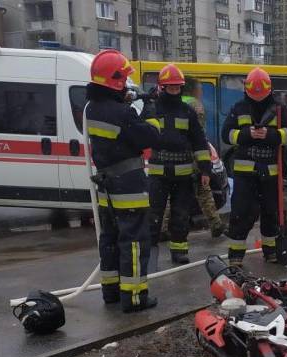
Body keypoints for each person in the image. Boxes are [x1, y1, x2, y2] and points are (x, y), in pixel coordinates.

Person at [85, 49, 161, 312]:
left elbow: (115, 132)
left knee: (110, 239)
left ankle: (112, 292)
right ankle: (135, 296)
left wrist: (127, 101)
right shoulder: (122, 114)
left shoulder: (93, 108)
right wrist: (149, 108)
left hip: (106, 187)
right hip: (128, 185)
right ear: (115, 81)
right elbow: (150, 136)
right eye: (124, 80)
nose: (127, 84)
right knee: (135, 241)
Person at [221, 67, 287, 266]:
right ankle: (236, 256)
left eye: (260, 95)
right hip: (244, 175)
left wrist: (271, 135)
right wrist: (246, 135)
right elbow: (226, 134)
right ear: (246, 90)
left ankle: (271, 251)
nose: (257, 98)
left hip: (270, 173)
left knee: (270, 212)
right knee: (240, 213)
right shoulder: (238, 108)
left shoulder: (279, 109)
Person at [142, 64, 212, 265]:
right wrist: (146, 107)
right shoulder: (153, 108)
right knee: (154, 214)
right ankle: (149, 251)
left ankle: (179, 251)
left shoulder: (187, 111)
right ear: (162, 87)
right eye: (170, 87)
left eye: (177, 87)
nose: (174, 91)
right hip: (158, 173)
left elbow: (199, 141)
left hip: (183, 174)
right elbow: (138, 133)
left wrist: (205, 168)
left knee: (181, 215)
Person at [160, 79, 225, 238]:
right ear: (193, 90)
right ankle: (215, 223)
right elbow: (198, 134)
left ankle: (161, 227)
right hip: (191, 155)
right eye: (200, 89)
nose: (201, 92)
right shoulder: (195, 105)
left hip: (171, 155)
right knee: (203, 188)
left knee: (169, 192)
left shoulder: (171, 102)